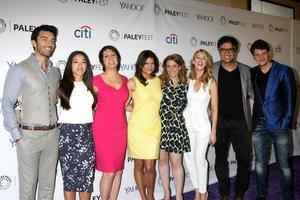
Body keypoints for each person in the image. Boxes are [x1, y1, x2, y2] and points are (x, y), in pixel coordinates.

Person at [1, 24, 60, 199]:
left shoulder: (56, 71)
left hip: (52, 135)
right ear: (34, 42)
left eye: (52, 40)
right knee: (27, 191)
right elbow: (6, 104)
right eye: (44, 39)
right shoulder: (19, 69)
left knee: (48, 188)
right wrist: (17, 136)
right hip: (29, 136)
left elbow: (55, 99)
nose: (49, 43)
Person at [250, 39, 296, 200]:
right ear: (254, 56)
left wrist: (285, 122)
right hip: (258, 125)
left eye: (263, 53)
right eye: (257, 54)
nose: (261, 56)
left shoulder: (284, 70)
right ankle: (262, 194)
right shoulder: (252, 72)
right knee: (260, 164)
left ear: (269, 53)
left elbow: (291, 99)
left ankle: (288, 195)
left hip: (279, 125)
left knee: (284, 165)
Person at [212, 35, 253, 200]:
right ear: (219, 51)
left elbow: (253, 93)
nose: (227, 52)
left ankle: (240, 192)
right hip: (219, 121)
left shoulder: (246, 70)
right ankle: (224, 192)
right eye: (223, 49)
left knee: (244, 158)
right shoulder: (211, 69)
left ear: (235, 51)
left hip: (241, 121)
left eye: (230, 49)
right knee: (220, 158)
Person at [57, 51, 97, 200]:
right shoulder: (60, 85)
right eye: (75, 61)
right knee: (69, 180)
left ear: (87, 65)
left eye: (83, 62)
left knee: (86, 179)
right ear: (70, 65)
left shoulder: (91, 86)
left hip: (86, 134)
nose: (80, 65)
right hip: (67, 135)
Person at [92, 45, 129, 200]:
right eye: (106, 56)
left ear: (118, 58)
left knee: (118, 170)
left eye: (113, 54)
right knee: (109, 172)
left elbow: (126, 105)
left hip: (121, 129)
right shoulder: (95, 81)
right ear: (102, 60)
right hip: (102, 130)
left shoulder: (126, 80)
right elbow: (89, 106)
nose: (110, 58)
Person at [127, 50, 163, 200]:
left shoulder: (159, 81)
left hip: (154, 128)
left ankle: (150, 196)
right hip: (137, 129)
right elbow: (123, 105)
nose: (149, 66)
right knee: (138, 166)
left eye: (152, 63)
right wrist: (137, 109)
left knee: (150, 167)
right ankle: (143, 197)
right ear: (140, 64)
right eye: (146, 63)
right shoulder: (132, 82)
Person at [183, 49, 218, 200]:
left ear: (207, 62)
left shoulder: (211, 81)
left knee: (199, 159)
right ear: (193, 61)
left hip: (203, 125)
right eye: (197, 58)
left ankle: (203, 193)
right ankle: (197, 190)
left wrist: (214, 131)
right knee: (189, 158)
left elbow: (215, 109)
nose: (200, 60)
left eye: (204, 58)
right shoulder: (188, 80)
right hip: (187, 123)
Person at [158, 54, 191, 200]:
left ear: (180, 67)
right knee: (162, 160)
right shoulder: (159, 82)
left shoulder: (187, 83)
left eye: (174, 66)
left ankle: (179, 195)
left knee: (177, 162)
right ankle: (166, 193)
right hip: (160, 126)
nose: (171, 69)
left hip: (177, 127)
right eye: (168, 66)